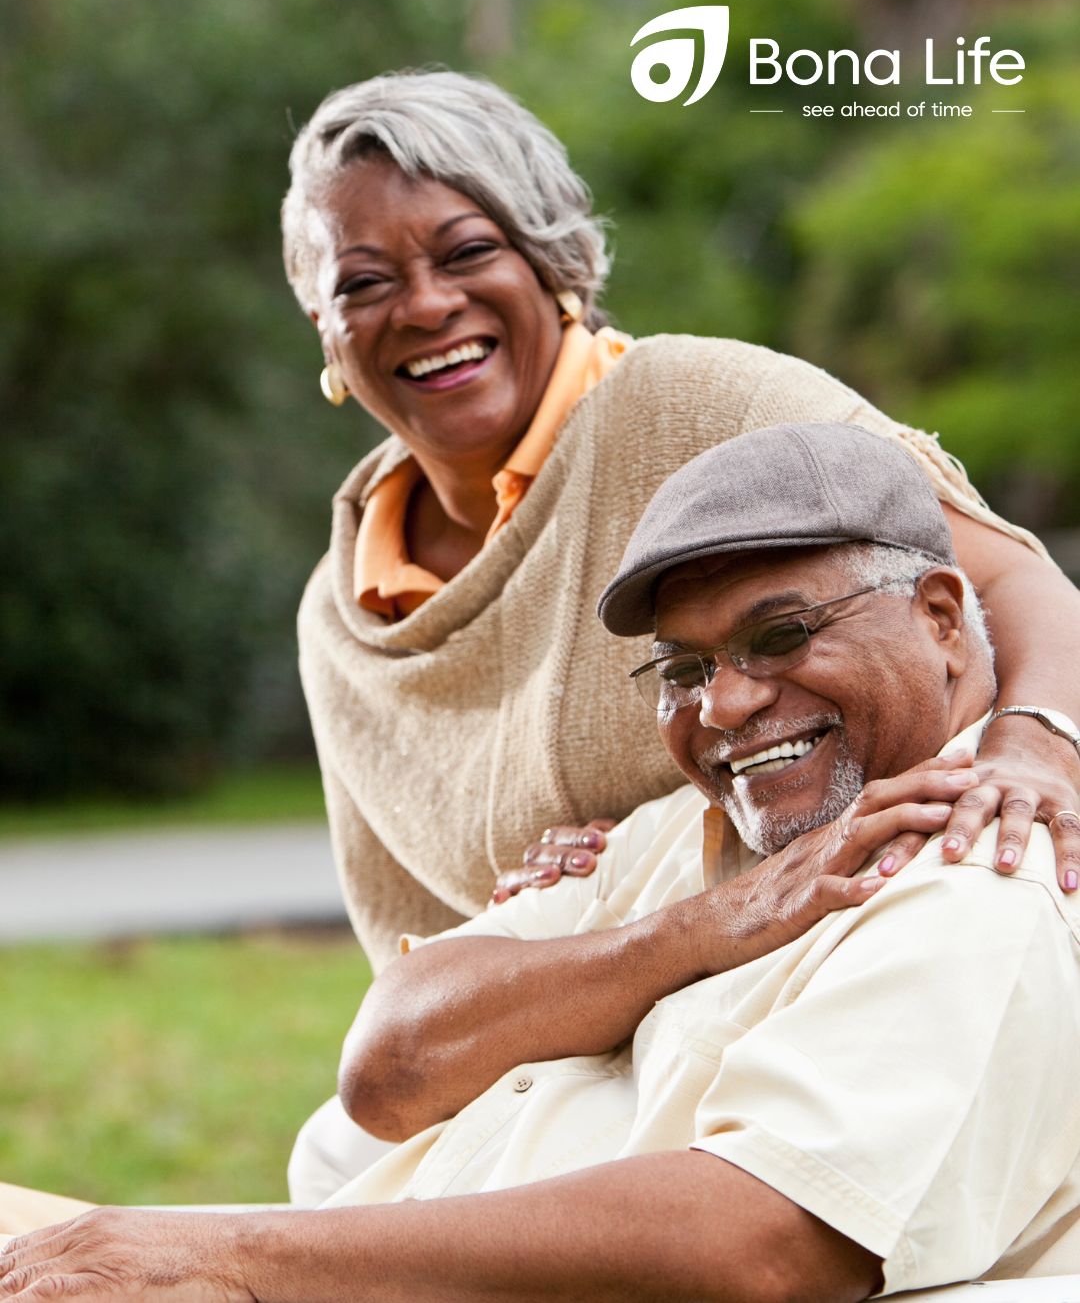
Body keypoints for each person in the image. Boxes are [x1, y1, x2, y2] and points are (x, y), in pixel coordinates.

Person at [3, 423, 1079, 1301]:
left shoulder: (973, 860)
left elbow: (765, 1246)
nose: (730, 703)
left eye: (783, 634)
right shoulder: (693, 835)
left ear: (942, 618)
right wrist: (709, 928)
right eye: (686, 667)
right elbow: (388, 1066)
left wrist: (231, 1258)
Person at [284, 67, 1080, 1199]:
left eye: (466, 253)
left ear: (553, 261)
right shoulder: (344, 612)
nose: (421, 306)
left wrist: (1035, 751)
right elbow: (413, 957)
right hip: (596, 987)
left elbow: (1004, 580)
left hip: (805, 957)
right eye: (364, 281)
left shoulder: (698, 407)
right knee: (338, 1152)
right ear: (325, 331)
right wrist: (547, 919)